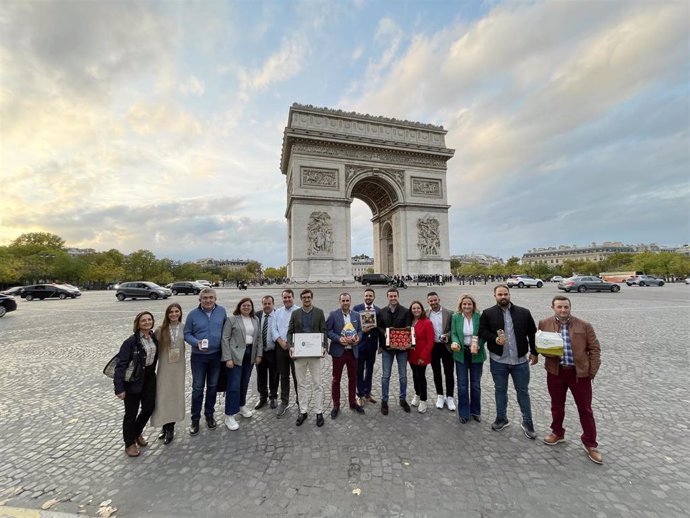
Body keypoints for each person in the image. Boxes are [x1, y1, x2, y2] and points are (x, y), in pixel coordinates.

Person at [538, 296, 603, 464]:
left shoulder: (584, 325)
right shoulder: (544, 323)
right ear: (553, 307)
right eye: (559, 307)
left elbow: (595, 349)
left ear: (570, 307)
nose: (563, 310)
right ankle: (557, 432)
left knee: (585, 409)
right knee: (556, 405)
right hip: (556, 371)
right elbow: (541, 346)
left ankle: (590, 443)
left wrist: (591, 371)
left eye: (566, 307)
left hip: (579, 374)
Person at [479, 284, 538, 439]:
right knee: (500, 390)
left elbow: (532, 333)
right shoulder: (487, 313)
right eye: (500, 294)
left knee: (523, 392)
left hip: (520, 360)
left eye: (505, 294)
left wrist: (534, 352)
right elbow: (482, 332)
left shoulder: (524, 313)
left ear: (509, 295)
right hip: (498, 360)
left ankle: (528, 421)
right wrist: (494, 338)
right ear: (495, 296)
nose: (503, 296)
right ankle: (501, 418)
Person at [113, 311, 158, 457]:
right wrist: (119, 388)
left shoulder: (153, 338)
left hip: (149, 378)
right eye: (143, 320)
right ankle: (129, 443)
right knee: (130, 414)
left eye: (149, 320)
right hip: (133, 381)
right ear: (138, 324)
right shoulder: (130, 342)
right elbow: (121, 365)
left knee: (148, 408)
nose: (147, 322)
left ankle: (136, 432)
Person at [184, 287, 227, 436]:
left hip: (216, 355)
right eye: (205, 298)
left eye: (211, 298)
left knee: (213, 386)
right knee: (197, 388)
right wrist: (196, 342)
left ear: (215, 299)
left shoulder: (221, 311)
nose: (208, 300)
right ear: (200, 300)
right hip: (199, 357)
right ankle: (195, 419)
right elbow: (187, 334)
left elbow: (226, 331)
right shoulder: (192, 315)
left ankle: (209, 414)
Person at [221, 297, 262, 431]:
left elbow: (259, 338)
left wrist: (258, 354)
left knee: (244, 381)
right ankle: (229, 414)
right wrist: (228, 358)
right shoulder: (232, 319)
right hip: (235, 355)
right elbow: (225, 338)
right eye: (244, 305)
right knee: (233, 384)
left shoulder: (255, 319)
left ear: (252, 307)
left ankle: (241, 405)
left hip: (250, 354)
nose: (246, 307)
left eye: (248, 305)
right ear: (239, 307)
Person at [288, 289, 327, 427]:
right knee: (301, 384)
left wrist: (324, 347)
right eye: (304, 297)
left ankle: (319, 411)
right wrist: (291, 347)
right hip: (300, 354)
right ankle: (303, 411)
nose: (306, 299)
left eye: (308, 297)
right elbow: (290, 332)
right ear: (301, 299)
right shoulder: (295, 313)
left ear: (312, 298)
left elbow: (324, 331)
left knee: (317, 384)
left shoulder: (319, 312)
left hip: (315, 353)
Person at [151, 303, 185, 445]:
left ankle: (170, 427)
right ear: (167, 314)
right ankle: (165, 426)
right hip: (165, 368)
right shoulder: (160, 330)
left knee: (175, 396)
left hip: (178, 368)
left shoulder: (184, 328)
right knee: (163, 396)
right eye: (171, 312)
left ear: (180, 313)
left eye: (176, 311)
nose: (174, 314)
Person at [327, 292, 364, 419]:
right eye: (343, 301)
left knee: (353, 378)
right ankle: (336, 405)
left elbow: (360, 330)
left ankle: (352, 402)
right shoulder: (333, 315)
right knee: (336, 379)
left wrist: (358, 337)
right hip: (339, 352)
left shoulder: (356, 315)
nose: (345, 303)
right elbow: (328, 331)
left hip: (352, 351)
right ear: (340, 301)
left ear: (350, 301)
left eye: (347, 300)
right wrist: (338, 339)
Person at [450, 294, 486, 423]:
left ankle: (476, 411)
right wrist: (455, 342)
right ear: (461, 305)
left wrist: (478, 345)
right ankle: (464, 412)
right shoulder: (455, 317)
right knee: (462, 384)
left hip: (477, 353)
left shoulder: (479, 316)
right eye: (464, 304)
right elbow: (453, 333)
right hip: (461, 352)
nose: (467, 306)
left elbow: (483, 334)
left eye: (469, 304)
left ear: (473, 305)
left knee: (475, 384)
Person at [377, 287, 412, 415]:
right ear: (388, 297)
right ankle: (384, 401)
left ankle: (402, 399)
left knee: (403, 376)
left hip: (402, 349)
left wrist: (405, 340)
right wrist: (386, 333)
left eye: (394, 296)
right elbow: (378, 327)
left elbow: (408, 328)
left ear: (398, 297)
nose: (393, 298)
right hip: (387, 349)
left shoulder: (406, 311)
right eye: (390, 296)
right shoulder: (381, 312)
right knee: (385, 376)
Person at [271, 289, 300, 417]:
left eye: (289, 297)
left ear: (293, 297)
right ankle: (284, 401)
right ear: (282, 298)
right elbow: (273, 328)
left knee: (297, 376)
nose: (287, 299)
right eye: (285, 297)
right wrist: (280, 341)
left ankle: (300, 401)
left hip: (295, 347)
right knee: (283, 376)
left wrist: (292, 343)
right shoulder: (277, 312)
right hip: (281, 347)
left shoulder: (299, 311)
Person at [426, 292, 455, 411]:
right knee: (436, 372)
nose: (433, 303)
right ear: (428, 302)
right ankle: (440, 395)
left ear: (439, 299)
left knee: (449, 372)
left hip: (446, 346)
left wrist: (447, 335)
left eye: (435, 300)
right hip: (433, 347)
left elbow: (454, 329)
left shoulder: (449, 313)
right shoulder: (426, 314)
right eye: (431, 301)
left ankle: (450, 397)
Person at [352, 288, 380, 406]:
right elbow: (352, 326)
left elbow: (379, 329)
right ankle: (359, 394)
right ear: (364, 297)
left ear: (374, 297)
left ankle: (367, 392)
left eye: (370, 296)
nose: (368, 297)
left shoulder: (378, 310)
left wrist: (381, 345)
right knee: (359, 370)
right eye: (366, 296)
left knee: (370, 370)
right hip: (360, 344)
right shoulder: (356, 309)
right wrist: (361, 331)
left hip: (372, 345)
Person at [408, 301, 434, 413]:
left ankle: (423, 399)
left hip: (421, 355)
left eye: (418, 308)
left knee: (421, 376)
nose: (416, 310)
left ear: (422, 309)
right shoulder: (410, 322)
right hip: (411, 354)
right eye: (413, 308)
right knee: (414, 375)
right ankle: (417, 394)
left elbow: (430, 341)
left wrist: (423, 355)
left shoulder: (427, 322)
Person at [254, 295, 278, 410]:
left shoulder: (278, 315)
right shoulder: (256, 315)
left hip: (273, 351)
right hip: (260, 352)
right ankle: (263, 397)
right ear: (262, 304)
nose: (267, 306)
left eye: (269, 303)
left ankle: (273, 396)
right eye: (265, 304)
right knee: (260, 375)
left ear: (273, 304)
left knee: (274, 375)